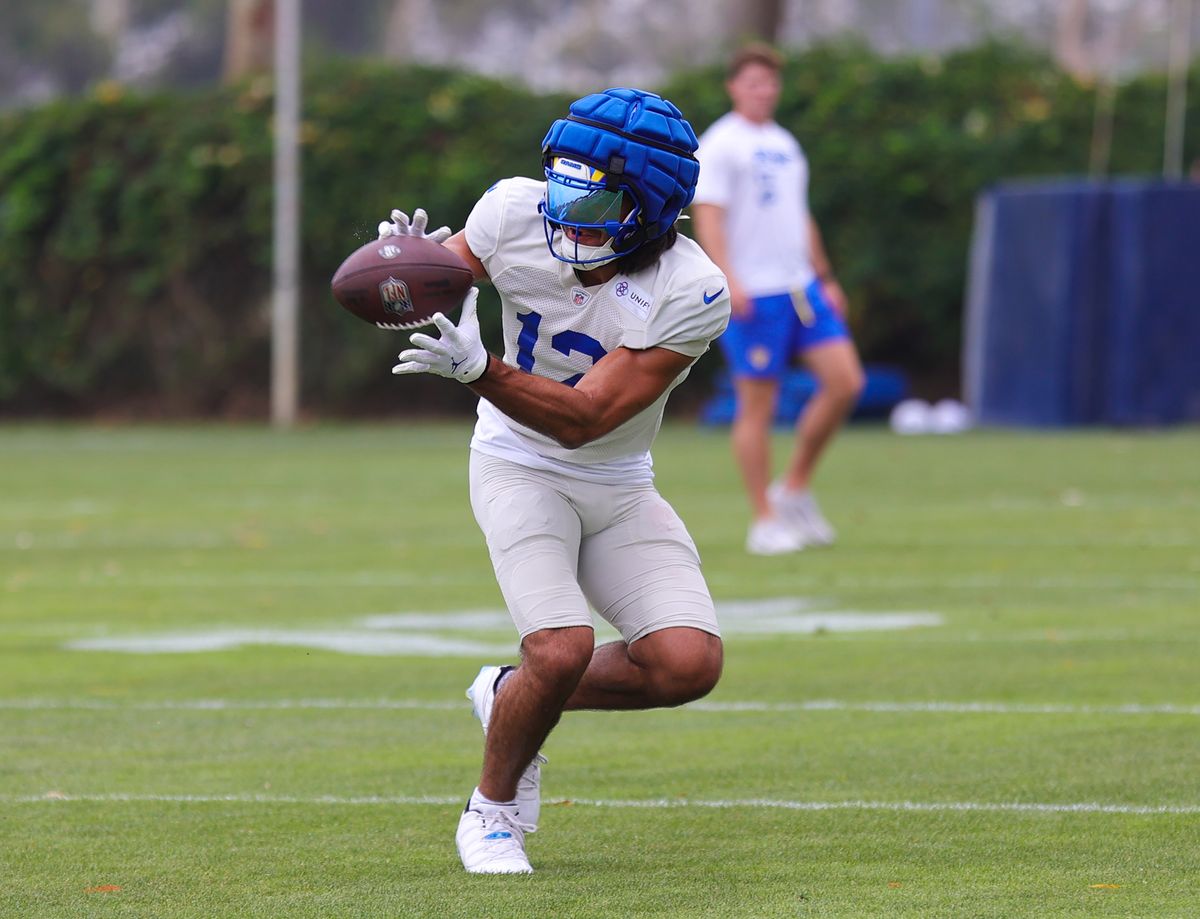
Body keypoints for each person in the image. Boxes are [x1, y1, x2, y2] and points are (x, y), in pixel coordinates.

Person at [379, 87, 730, 874]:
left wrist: (479, 368)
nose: (568, 214)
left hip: (616, 475)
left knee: (686, 662)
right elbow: (429, 290)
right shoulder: (512, 210)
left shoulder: (693, 288)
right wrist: (405, 271)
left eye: (594, 198)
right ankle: (491, 811)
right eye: (562, 187)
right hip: (517, 463)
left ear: (650, 207)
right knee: (563, 647)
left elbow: (585, 419)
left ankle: (508, 693)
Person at [692, 43, 865, 556]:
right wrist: (729, 278)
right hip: (755, 291)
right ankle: (764, 521)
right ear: (733, 87)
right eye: (753, 82)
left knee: (845, 382)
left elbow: (798, 214)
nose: (763, 91)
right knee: (757, 405)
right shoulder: (721, 143)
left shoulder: (785, 143)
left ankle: (792, 489)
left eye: (770, 82)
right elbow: (708, 215)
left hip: (800, 288)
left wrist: (824, 275)